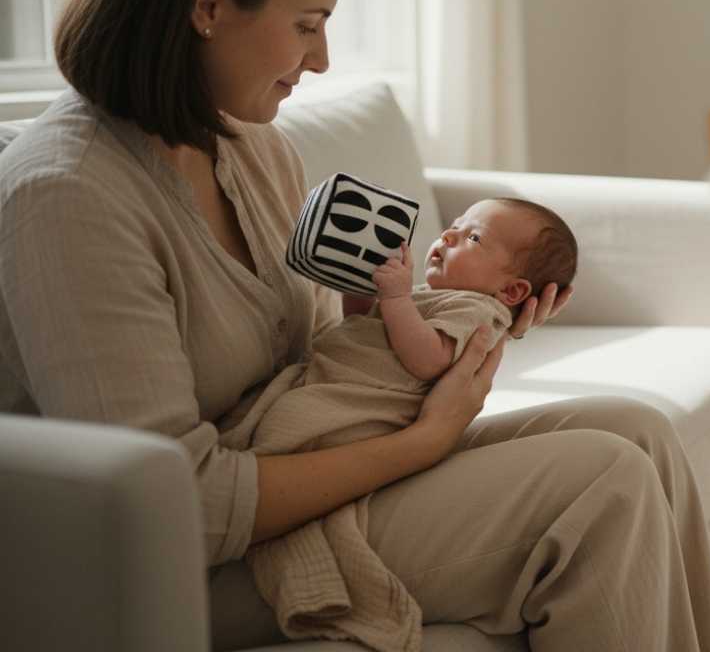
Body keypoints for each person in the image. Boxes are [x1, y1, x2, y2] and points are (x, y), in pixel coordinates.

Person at [0, 0, 710, 651]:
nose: (320, 60)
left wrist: (465, 329)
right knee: (602, 486)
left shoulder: (251, 148)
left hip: (305, 469)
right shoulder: (68, 196)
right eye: (307, 25)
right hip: (189, 563)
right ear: (210, 4)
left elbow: (319, 354)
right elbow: (178, 508)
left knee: (638, 431)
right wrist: (424, 442)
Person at [219, 198, 579, 651]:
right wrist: (366, 297)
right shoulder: (439, 300)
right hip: (357, 403)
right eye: (453, 225)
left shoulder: (474, 311)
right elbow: (368, 335)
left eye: (473, 238)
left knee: (634, 431)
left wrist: (395, 299)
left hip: (366, 419)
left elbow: (427, 359)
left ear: (511, 293)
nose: (448, 236)